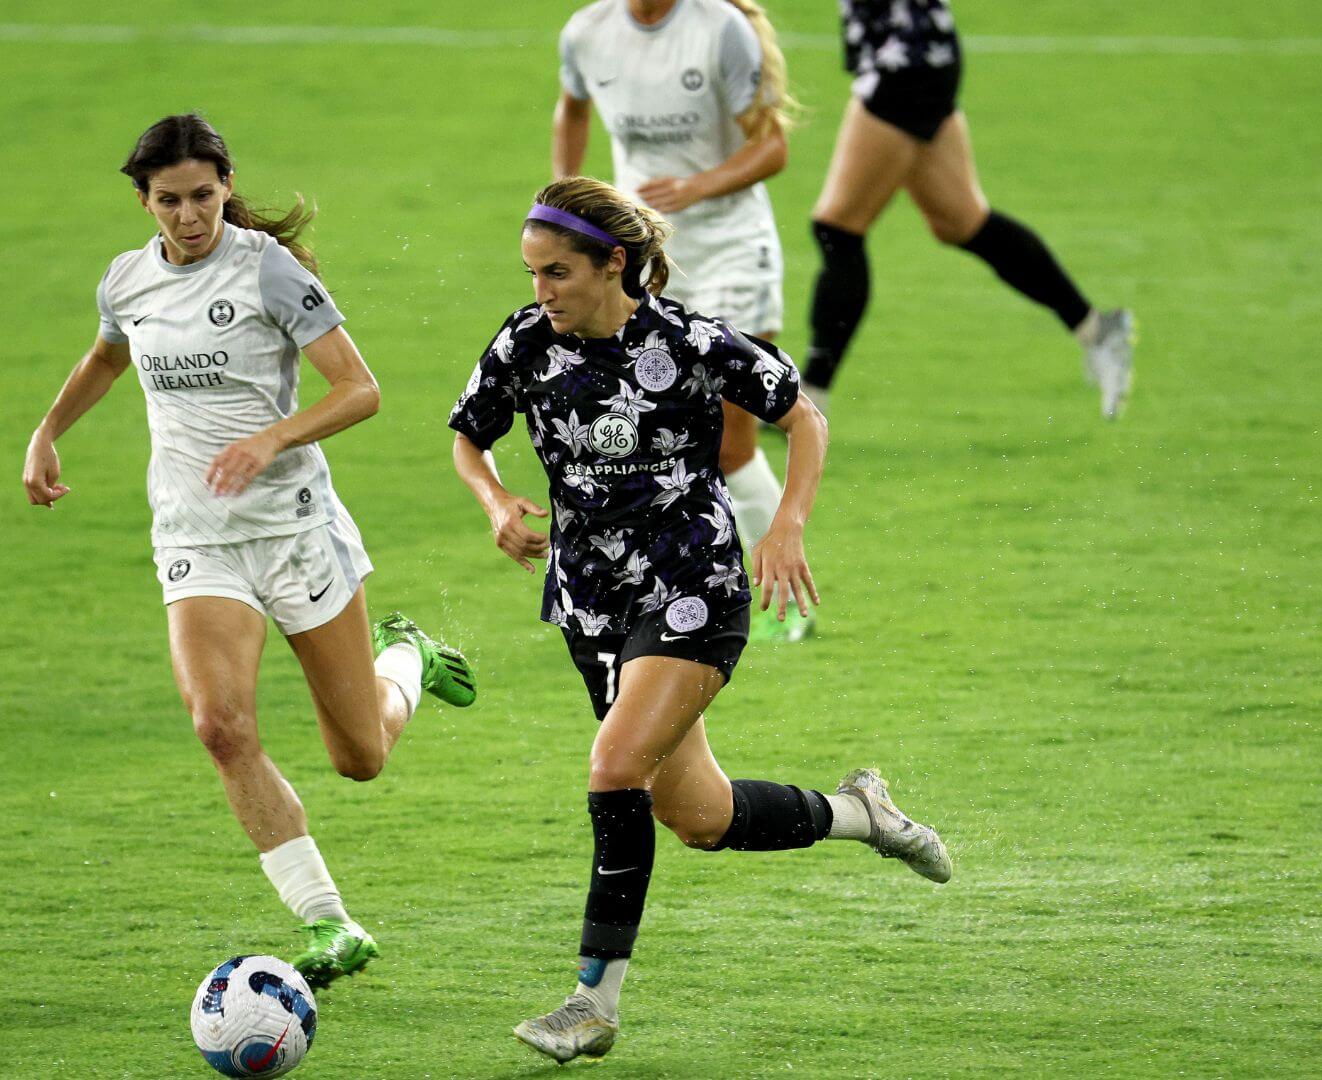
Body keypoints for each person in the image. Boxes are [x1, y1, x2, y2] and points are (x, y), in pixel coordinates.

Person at [449, 177, 952, 1064]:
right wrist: (493, 501)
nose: (541, 292)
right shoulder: (527, 341)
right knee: (700, 816)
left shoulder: (691, 342)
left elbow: (805, 418)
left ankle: (593, 1001)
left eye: (557, 273)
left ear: (615, 263)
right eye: (532, 274)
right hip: (588, 602)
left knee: (613, 771)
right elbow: (467, 435)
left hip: (693, 592)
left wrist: (785, 525)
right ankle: (864, 815)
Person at [21, 113, 476, 990]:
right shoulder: (126, 280)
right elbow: (107, 358)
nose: (189, 216)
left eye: (203, 196)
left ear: (226, 186)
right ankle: (331, 923)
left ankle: (407, 659)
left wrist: (271, 440)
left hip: (296, 531)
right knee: (220, 726)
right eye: (169, 201)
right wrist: (47, 431)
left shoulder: (266, 268)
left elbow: (360, 389)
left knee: (361, 758)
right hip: (196, 539)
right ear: (143, 201)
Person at [554, 0, 813, 642]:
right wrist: (567, 203)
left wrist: (698, 186)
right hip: (644, 260)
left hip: (729, 249)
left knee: (731, 441)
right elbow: (572, 109)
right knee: (654, 434)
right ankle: (668, 587)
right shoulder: (586, 33)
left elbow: (773, 146)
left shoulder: (720, 31)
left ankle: (784, 599)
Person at [805, 0, 1136, 418]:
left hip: (903, 66)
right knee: (961, 222)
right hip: (917, 54)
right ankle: (1097, 330)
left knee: (838, 229)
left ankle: (807, 401)